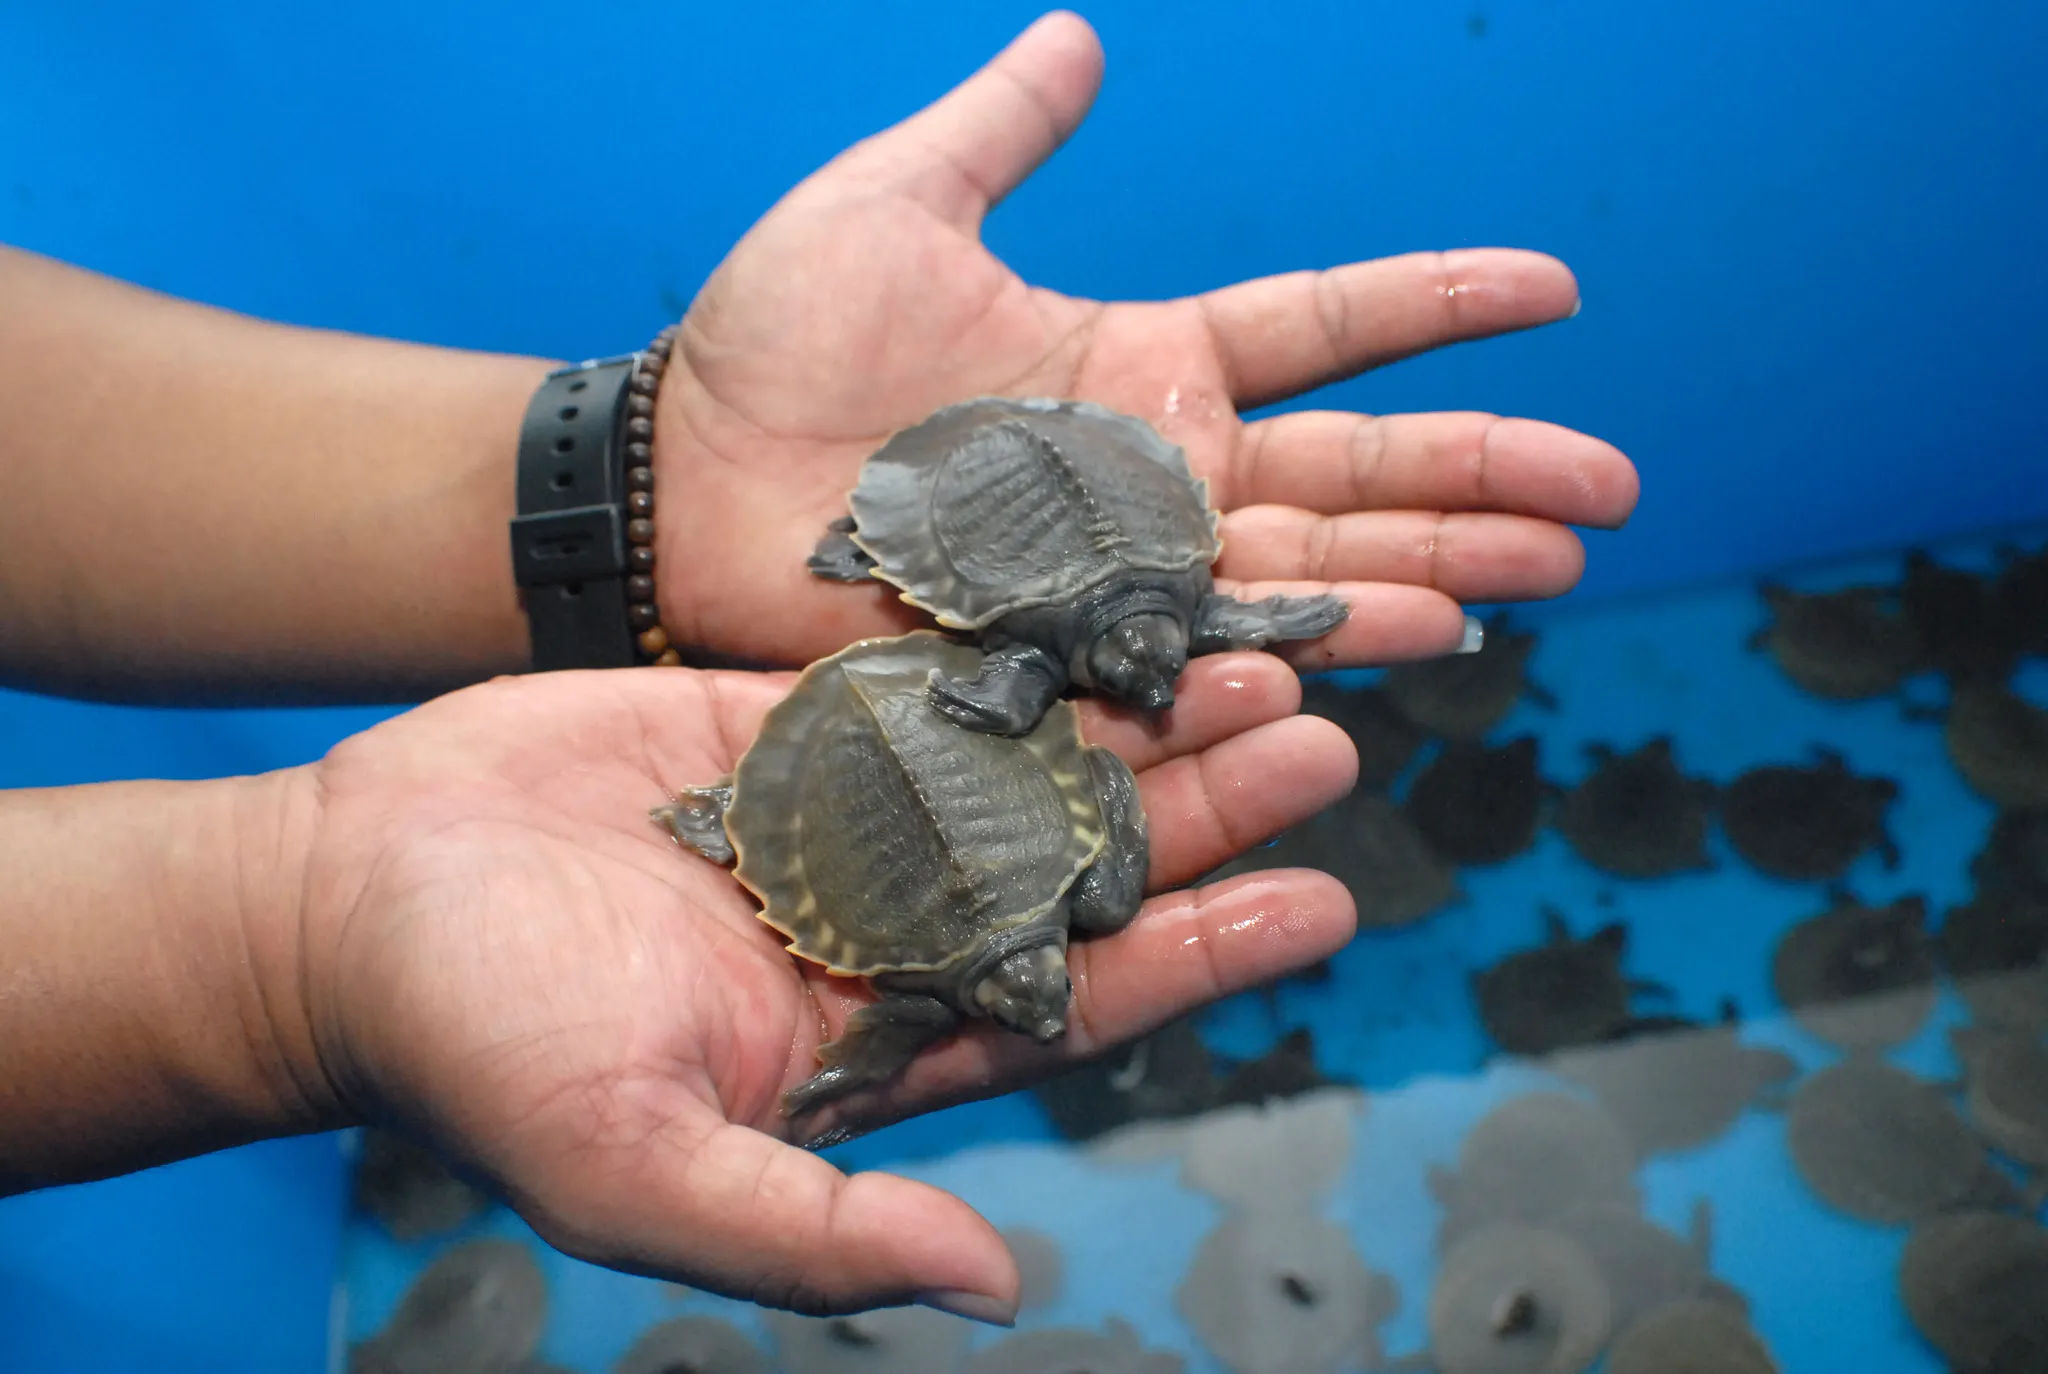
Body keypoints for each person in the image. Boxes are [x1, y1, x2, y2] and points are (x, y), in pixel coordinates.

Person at [0, 11, 1637, 1328]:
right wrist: (294, 942)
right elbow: (1061, 740)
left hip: (1006, 622)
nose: (1041, 1000)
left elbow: (1074, 720)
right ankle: (755, 762)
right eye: (1033, 994)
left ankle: (747, 768)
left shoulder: (1043, 793)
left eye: (1027, 995)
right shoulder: (1027, 883)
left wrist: (646, 474)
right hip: (957, 667)